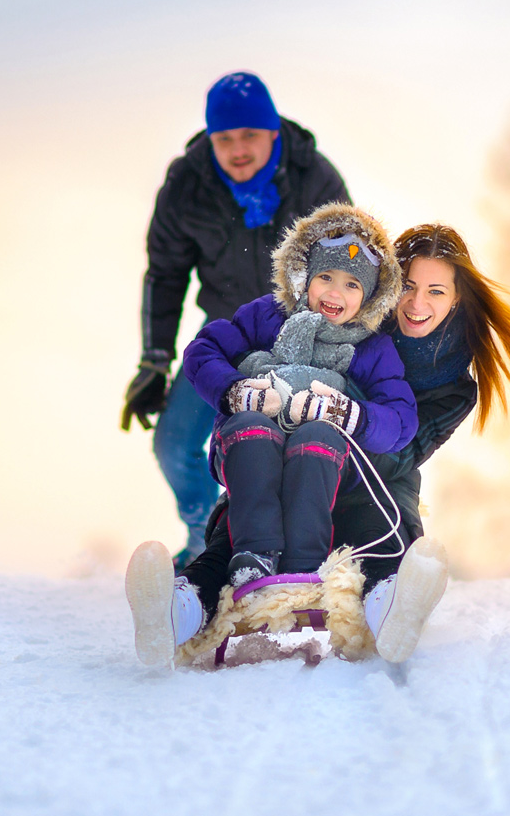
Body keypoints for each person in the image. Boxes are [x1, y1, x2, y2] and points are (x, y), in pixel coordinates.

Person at [127, 220, 510, 666]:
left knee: (380, 540)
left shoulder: (449, 383)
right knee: (235, 534)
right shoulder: (353, 316)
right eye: (407, 286)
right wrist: (242, 394)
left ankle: (393, 611)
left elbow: (401, 449)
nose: (417, 303)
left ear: (457, 297)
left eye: (437, 292)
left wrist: (344, 419)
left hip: (371, 478)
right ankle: (176, 610)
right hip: (281, 452)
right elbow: (213, 348)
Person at [120, 73, 349, 566]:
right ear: (210, 140)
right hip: (227, 339)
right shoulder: (187, 184)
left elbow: (350, 265)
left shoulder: (315, 178)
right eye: (225, 139)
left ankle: (302, 553)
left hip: (301, 339)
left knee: (290, 447)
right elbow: (165, 274)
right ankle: (208, 534)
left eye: (249, 136)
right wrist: (154, 360)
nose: (238, 150)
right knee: (173, 444)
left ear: (272, 133)